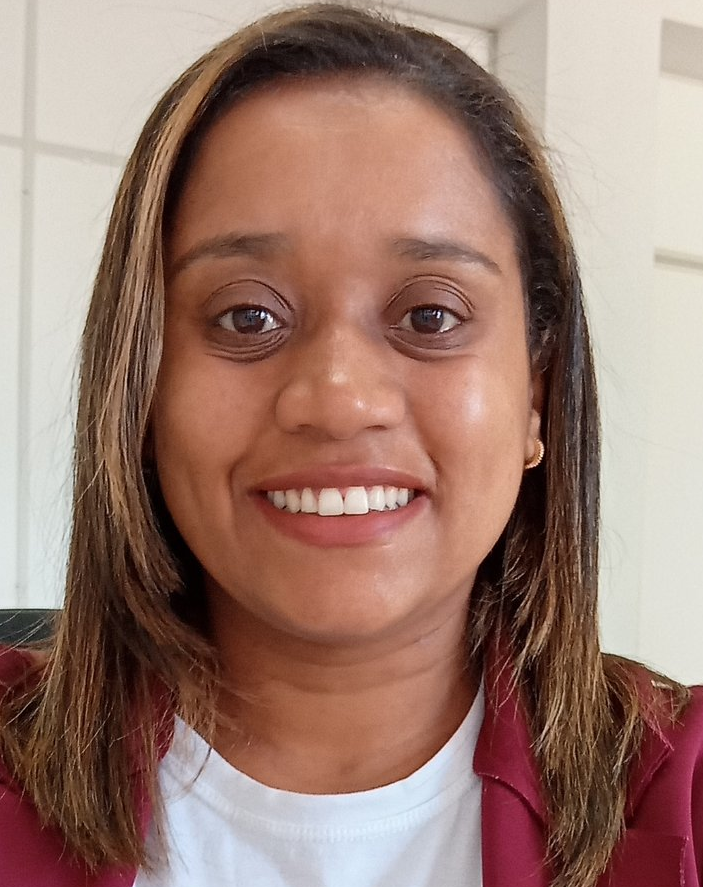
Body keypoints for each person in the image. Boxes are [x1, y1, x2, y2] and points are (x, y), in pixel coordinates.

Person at [1, 3, 701, 886]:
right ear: (138, 385)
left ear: (535, 395)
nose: (338, 400)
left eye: (430, 315)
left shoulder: (683, 791)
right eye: (247, 316)